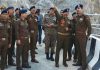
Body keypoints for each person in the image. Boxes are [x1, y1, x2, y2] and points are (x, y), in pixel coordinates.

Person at [73, 4, 91, 70]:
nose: (77, 9)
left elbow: (89, 27)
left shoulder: (85, 17)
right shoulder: (77, 17)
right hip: (77, 36)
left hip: (83, 36)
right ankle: (79, 62)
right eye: (77, 8)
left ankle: (84, 66)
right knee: (78, 50)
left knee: (83, 51)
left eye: (79, 8)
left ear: (82, 9)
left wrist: (88, 35)